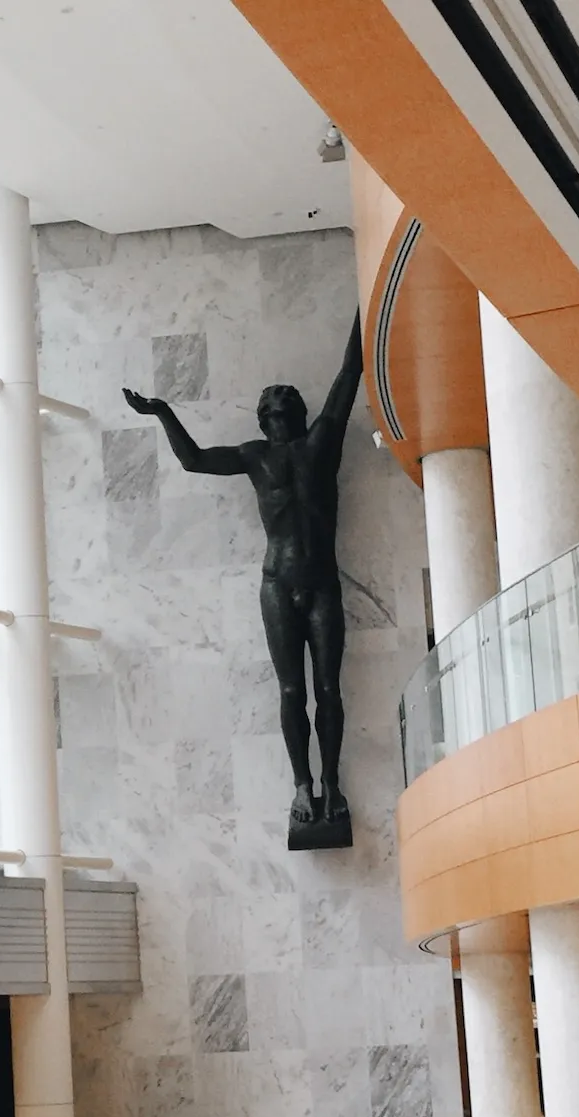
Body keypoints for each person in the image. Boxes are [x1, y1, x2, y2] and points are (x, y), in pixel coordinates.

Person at [123, 312, 364, 838]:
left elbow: (351, 373)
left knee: (328, 688)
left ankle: (334, 783)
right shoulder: (255, 457)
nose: (280, 406)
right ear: (263, 418)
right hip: (278, 583)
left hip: (321, 581)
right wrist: (162, 411)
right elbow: (192, 461)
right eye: (272, 403)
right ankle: (303, 785)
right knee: (290, 691)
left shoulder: (325, 440)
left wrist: (365, 304)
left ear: (297, 412)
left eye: (286, 401)